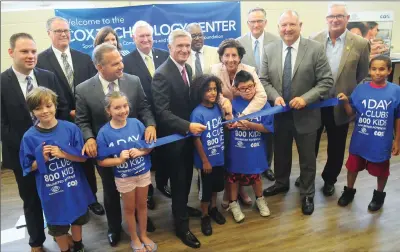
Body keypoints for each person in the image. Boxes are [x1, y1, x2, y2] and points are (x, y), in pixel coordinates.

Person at [75, 43, 156, 247]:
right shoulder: (84, 89)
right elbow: (82, 121)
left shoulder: (133, 81)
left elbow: (145, 108)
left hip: (135, 151)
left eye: (120, 61)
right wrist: (89, 138)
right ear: (99, 67)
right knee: (111, 191)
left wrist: (151, 125)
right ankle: (114, 227)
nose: (121, 65)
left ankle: (140, 224)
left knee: (139, 190)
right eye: (115, 63)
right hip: (107, 153)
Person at [260, 10, 334, 215]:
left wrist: (306, 98)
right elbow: (263, 80)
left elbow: (326, 81)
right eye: (283, 25)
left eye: (292, 24)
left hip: (307, 116)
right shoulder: (269, 49)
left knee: (308, 158)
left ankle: (307, 193)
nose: (287, 29)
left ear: (300, 25)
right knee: (281, 153)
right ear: (278, 28)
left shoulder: (316, 49)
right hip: (280, 114)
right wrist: (275, 97)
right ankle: (281, 183)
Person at [1, 32, 69, 252]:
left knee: (57, 193)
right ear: (11, 53)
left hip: (56, 152)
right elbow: (2, 124)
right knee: (31, 200)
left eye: (33, 51)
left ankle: (61, 231)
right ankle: (36, 242)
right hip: (23, 156)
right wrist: (29, 146)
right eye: (24, 51)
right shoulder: (2, 83)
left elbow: (63, 108)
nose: (30, 56)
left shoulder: (48, 76)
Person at [36, 16, 104, 215]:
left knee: (88, 160)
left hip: (86, 121)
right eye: (59, 31)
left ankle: (92, 199)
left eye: (66, 30)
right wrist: (67, 112)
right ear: (49, 33)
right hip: (59, 122)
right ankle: (74, 201)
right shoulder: (41, 60)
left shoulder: (84, 58)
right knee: (67, 163)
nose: (64, 34)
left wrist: (82, 112)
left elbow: (93, 86)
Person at [20, 87, 94, 252]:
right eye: (38, 108)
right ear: (32, 111)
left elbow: (83, 158)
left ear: (55, 105)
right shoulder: (29, 137)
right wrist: (41, 160)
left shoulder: (70, 129)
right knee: (58, 225)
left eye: (48, 106)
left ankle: (78, 245)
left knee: (77, 219)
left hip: (74, 186)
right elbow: (26, 167)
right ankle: (64, 250)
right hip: (51, 192)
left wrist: (63, 154)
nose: (44, 111)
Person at [151, 29, 206, 248]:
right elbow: (162, 113)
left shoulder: (188, 68)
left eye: (187, 45)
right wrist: (187, 126)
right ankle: (181, 228)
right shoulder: (162, 74)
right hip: (173, 142)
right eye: (180, 46)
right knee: (180, 182)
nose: (184, 49)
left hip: (189, 137)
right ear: (170, 48)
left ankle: (182, 209)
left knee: (186, 181)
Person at [308, 2, 370, 196]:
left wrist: (350, 99)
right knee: (311, 145)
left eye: (339, 16)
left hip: (340, 106)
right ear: (326, 19)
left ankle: (329, 179)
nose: (335, 20)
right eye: (331, 17)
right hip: (316, 104)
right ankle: (307, 178)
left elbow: (364, 76)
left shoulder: (360, 43)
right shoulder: (314, 39)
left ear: (347, 19)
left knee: (336, 146)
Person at [336, 55, 400, 211]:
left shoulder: (395, 91)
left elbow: (398, 117)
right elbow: (351, 113)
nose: (377, 72)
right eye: (374, 69)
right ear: (369, 70)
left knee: (382, 170)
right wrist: (345, 102)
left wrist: (397, 140)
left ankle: (379, 195)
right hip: (360, 139)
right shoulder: (361, 89)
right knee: (352, 167)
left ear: (389, 70)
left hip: (380, 141)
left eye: (382, 69)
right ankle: (349, 191)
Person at [96, 91, 157, 252]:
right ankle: (134, 238)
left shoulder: (136, 123)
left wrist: (142, 152)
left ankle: (143, 234)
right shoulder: (104, 133)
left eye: (125, 106)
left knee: (142, 206)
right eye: (117, 108)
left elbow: (149, 146)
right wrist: (119, 160)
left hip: (142, 172)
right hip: (124, 178)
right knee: (129, 209)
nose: (123, 110)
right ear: (108, 111)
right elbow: (101, 160)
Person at [211, 38, 268, 208]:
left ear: (240, 57)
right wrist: (225, 105)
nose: (230, 59)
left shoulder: (249, 70)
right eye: (226, 55)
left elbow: (261, 95)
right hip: (223, 117)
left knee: (241, 155)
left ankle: (241, 192)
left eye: (234, 55)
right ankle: (230, 193)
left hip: (243, 117)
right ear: (221, 57)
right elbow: (216, 93)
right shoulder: (214, 70)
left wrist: (241, 116)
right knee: (229, 157)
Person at [123, 21, 170, 201]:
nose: (145, 39)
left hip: (165, 115)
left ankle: (162, 183)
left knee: (164, 154)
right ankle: (147, 191)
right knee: (144, 155)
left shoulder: (165, 55)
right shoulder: (126, 62)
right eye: (141, 36)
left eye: (148, 35)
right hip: (141, 118)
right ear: (133, 38)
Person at [237, 6, 279, 181]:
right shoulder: (238, 43)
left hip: (269, 96)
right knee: (247, 134)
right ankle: (247, 165)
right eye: (252, 21)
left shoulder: (276, 41)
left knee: (267, 134)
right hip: (247, 97)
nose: (256, 24)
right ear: (247, 23)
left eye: (259, 21)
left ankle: (266, 165)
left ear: (265, 22)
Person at [226, 70, 273, 223]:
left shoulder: (264, 104)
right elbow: (227, 125)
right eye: (243, 88)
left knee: (256, 177)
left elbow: (268, 128)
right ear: (237, 89)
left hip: (255, 150)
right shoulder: (233, 104)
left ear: (255, 85)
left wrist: (251, 125)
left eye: (250, 87)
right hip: (237, 150)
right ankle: (233, 204)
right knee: (233, 178)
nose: (247, 91)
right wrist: (233, 124)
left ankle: (260, 199)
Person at [190, 75, 226, 236]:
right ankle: (204, 216)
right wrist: (205, 161)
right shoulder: (197, 113)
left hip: (218, 157)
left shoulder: (218, 108)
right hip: (206, 161)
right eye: (208, 90)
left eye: (214, 89)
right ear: (200, 91)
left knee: (216, 187)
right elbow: (196, 140)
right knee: (205, 191)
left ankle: (213, 208)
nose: (212, 93)